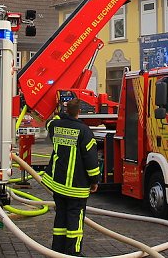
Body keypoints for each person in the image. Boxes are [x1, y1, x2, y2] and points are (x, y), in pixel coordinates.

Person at [41, 97, 100, 256]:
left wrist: (60, 113)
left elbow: (49, 122)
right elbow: (91, 161)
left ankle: (58, 250)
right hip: (76, 187)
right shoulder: (85, 131)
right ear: (80, 112)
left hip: (58, 184)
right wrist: (94, 181)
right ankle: (73, 252)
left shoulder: (56, 126)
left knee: (61, 216)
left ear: (67, 110)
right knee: (75, 219)